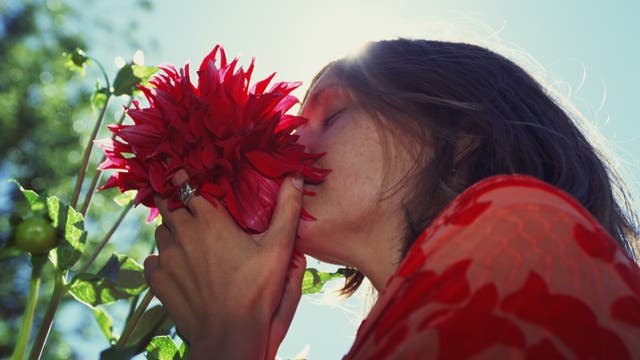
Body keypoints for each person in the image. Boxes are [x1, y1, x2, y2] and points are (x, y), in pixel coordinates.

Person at [143, 39, 640, 359]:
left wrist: (228, 336)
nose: (284, 143)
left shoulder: (518, 219)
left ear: (463, 132)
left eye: (329, 116)